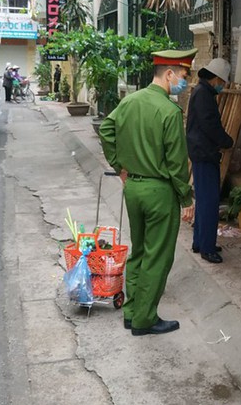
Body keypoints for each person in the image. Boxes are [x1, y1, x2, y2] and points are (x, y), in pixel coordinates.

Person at [99, 48, 198, 336]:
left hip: (134, 189)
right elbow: (177, 163)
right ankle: (144, 319)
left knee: (139, 251)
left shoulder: (130, 101)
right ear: (168, 74)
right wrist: (186, 197)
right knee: (158, 256)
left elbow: (106, 129)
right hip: (159, 192)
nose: (184, 82)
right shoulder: (168, 111)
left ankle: (132, 312)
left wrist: (120, 167)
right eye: (182, 76)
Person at [186, 58, 234, 264]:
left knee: (204, 201)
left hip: (201, 153)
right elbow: (210, 126)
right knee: (209, 202)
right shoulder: (204, 95)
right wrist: (227, 141)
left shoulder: (201, 92)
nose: (223, 86)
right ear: (215, 78)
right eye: (222, 82)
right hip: (205, 154)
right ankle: (207, 248)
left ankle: (200, 242)